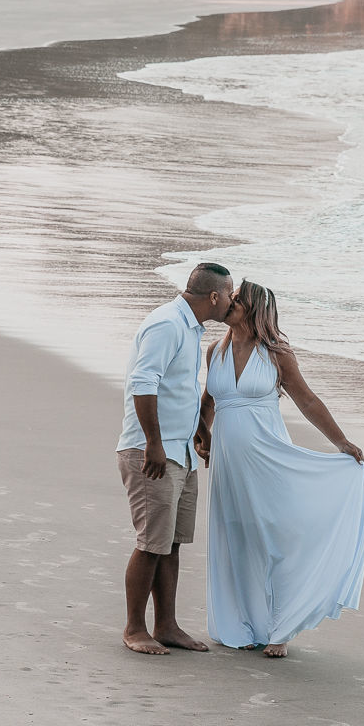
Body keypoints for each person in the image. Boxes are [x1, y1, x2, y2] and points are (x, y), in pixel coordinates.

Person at [199, 281, 364, 658]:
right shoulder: (215, 351)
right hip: (228, 464)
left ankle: (282, 625)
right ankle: (242, 624)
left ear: (253, 308)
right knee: (236, 539)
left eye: (237, 299)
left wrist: (340, 442)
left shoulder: (276, 354)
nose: (229, 302)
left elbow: (307, 400)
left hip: (269, 460)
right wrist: (202, 434)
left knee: (275, 540)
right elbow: (208, 401)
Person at [116, 262, 236, 655]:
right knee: (151, 543)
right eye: (230, 294)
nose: (233, 301)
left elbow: (179, 389)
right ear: (214, 296)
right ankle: (135, 629)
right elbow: (143, 382)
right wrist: (153, 442)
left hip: (180, 451)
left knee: (171, 544)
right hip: (153, 452)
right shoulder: (167, 324)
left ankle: (166, 625)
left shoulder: (191, 328)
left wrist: (199, 430)